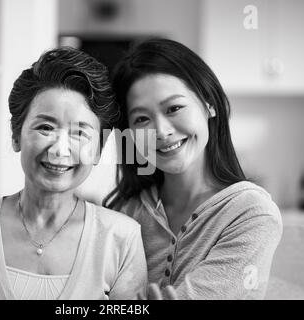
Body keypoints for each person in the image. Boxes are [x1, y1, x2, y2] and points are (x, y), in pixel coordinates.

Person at [0, 47, 147, 300]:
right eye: (46, 127)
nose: (60, 149)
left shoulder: (121, 238)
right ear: (16, 135)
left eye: (80, 133)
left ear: (97, 151)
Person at [103, 38, 283, 299]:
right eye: (142, 119)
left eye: (174, 108)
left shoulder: (251, 212)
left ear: (209, 103)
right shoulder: (125, 211)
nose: (162, 131)